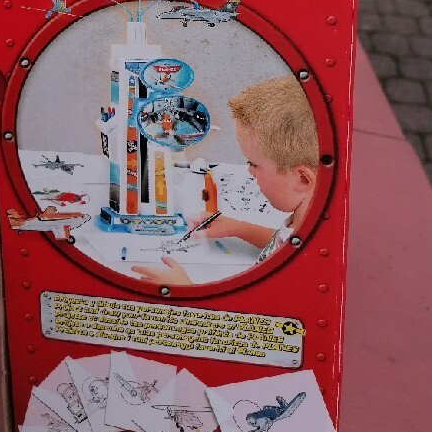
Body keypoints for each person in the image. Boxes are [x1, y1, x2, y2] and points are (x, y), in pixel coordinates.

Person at [131, 75, 319, 287]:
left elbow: (256, 307)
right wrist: (236, 227)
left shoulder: (305, 266)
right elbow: (283, 243)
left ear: (302, 179)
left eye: (254, 164)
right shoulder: (303, 225)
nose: (249, 171)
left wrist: (186, 288)